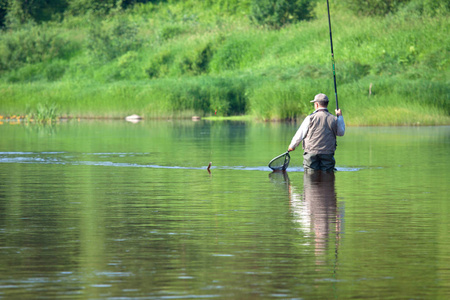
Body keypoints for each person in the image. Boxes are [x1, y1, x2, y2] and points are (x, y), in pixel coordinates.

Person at [288, 93, 345, 171]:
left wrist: (292, 146)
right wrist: (340, 116)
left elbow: (300, 134)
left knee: (310, 175)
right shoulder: (334, 119)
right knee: (327, 176)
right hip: (328, 153)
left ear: (317, 104)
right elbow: (341, 132)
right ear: (326, 104)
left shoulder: (310, 118)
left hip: (311, 152)